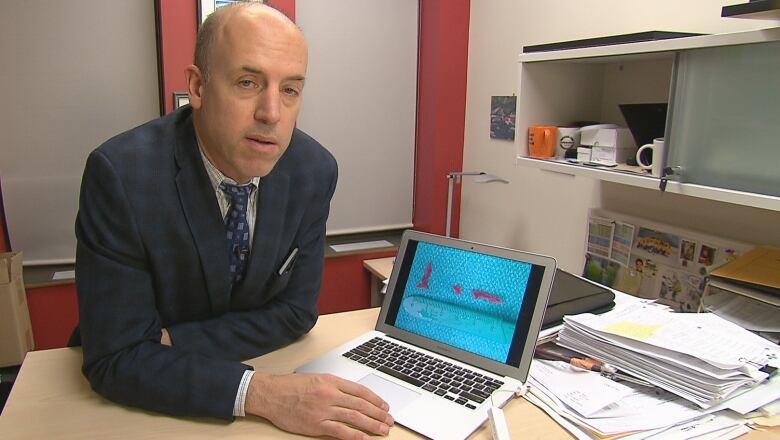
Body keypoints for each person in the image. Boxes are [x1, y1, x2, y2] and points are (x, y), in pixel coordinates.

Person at [71, 4, 393, 439]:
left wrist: (170, 341)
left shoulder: (314, 171)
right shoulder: (122, 175)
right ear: (199, 87)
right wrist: (259, 393)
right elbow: (117, 357)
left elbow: (296, 313)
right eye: (248, 82)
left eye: (291, 90)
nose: (272, 114)